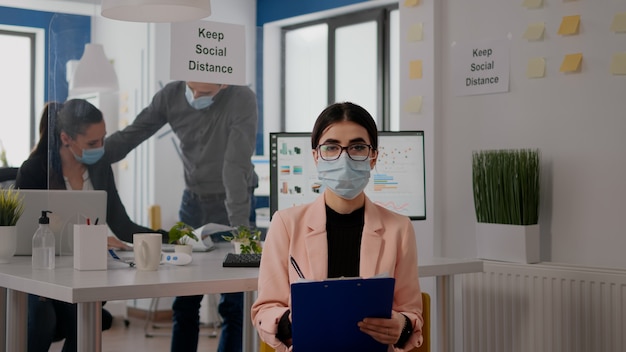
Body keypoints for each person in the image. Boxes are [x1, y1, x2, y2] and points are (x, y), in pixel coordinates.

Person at [251, 102, 424, 351]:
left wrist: (403, 325)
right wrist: (289, 321)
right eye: (331, 147)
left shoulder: (399, 228)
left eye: (357, 147)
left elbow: (411, 312)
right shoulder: (286, 224)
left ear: (373, 156)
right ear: (316, 156)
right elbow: (265, 310)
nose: (344, 157)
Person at [104, 81, 258, 352]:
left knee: (235, 302)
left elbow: (235, 169)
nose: (196, 97)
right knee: (184, 300)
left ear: (223, 81)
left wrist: (241, 235)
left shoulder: (241, 98)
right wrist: (86, 153)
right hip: (193, 204)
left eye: (207, 92)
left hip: (236, 202)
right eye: (193, 88)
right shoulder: (170, 96)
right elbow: (131, 135)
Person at [16, 100, 163, 352]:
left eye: (103, 139)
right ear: (65, 138)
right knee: (43, 319)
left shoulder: (100, 168)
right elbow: (24, 235)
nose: (101, 148)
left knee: (85, 319)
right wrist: (87, 239)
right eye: (92, 144)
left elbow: (122, 224)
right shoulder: (34, 171)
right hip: (38, 273)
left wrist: (172, 238)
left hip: (81, 272)